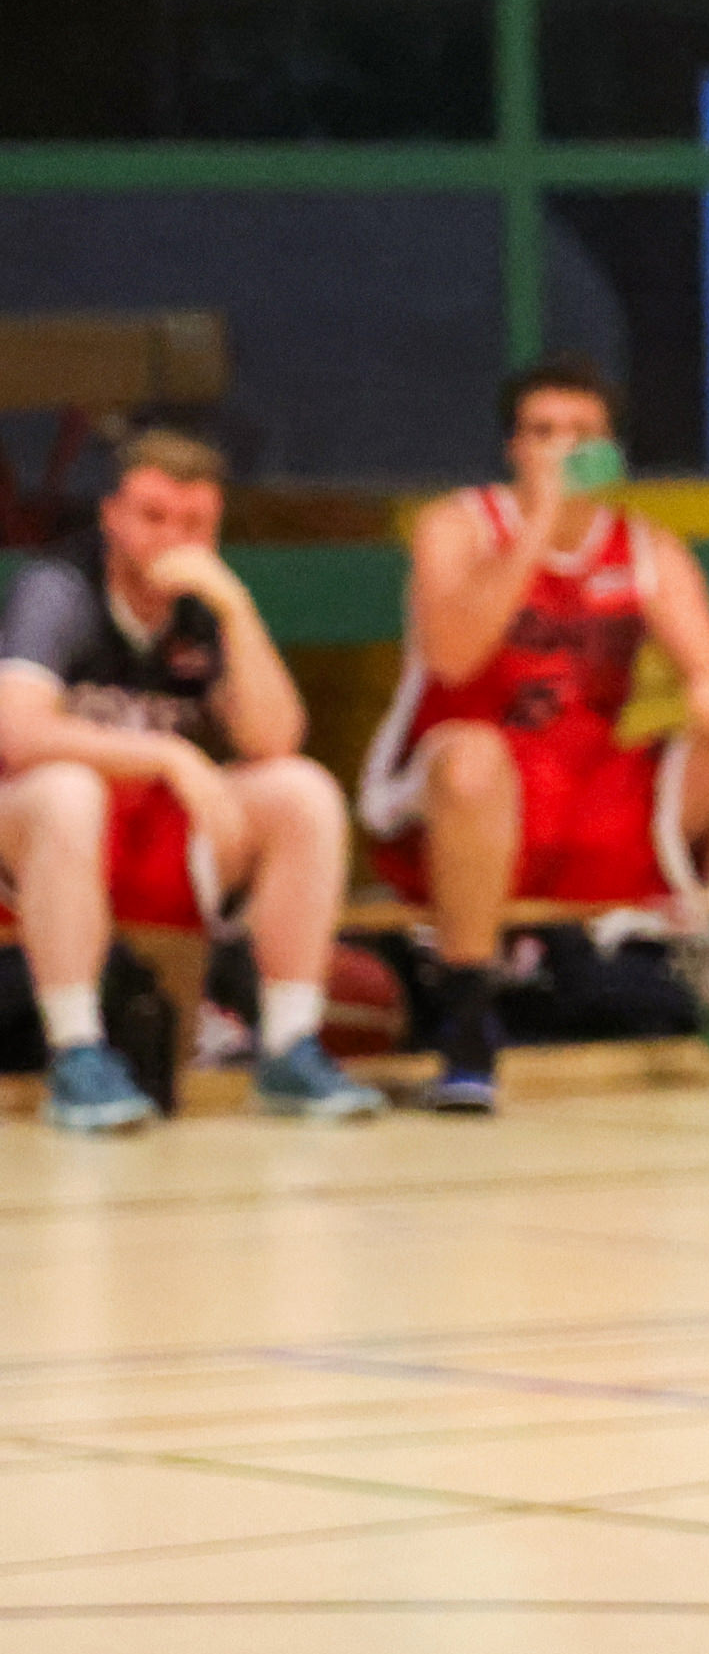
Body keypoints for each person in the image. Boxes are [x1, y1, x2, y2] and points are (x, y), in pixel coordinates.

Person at [363, 360, 709, 1109]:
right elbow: (454, 656)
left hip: (582, 797)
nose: (562, 450)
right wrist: (540, 524)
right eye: (543, 432)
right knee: (474, 757)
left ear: (609, 453)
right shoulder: (456, 526)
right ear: (513, 448)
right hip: (457, 800)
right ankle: (468, 1026)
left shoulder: (646, 550)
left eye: (581, 435)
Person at [0, 428, 383, 1130]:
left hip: (146, 839)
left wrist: (237, 609)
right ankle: (76, 1054)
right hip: (31, 846)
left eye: (194, 523)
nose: (172, 539)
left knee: (303, 792)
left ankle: (289, 1046)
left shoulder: (202, 606)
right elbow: (17, 734)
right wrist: (168, 756)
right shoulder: (59, 587)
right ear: (111, 516)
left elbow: (274, 737)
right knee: (68, 790)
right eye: (152, 516)